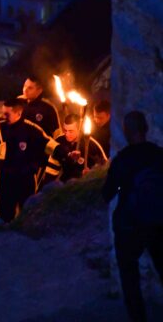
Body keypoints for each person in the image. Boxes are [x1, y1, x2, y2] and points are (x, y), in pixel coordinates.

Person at [102, 111, 163, 322]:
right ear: (145, 128)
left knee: (130, 278)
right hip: (158, 223)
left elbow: (107, 193)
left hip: (129, 225)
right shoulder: (159, 155)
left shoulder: (122, 160)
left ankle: (138, 318)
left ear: (127, 132)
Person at [0, 98, 60, 222]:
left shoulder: (31, 129)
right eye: (3, 113)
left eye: (7, 114)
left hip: (25, 180)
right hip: (6, 180)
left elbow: (49, 145)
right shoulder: (0, 128)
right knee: (5, 216)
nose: (3, 117)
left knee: (27, 215)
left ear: (18, 113)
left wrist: (67, 154)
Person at [44, 114, 107, 184]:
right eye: (65, 130)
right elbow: (51, 170)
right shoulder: (59, 141)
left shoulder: (92, 145)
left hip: (84, 185)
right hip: (64, 185)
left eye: (71, 131)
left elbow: (104, 170)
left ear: (79, 129)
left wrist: (91, 174)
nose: (67, 134)